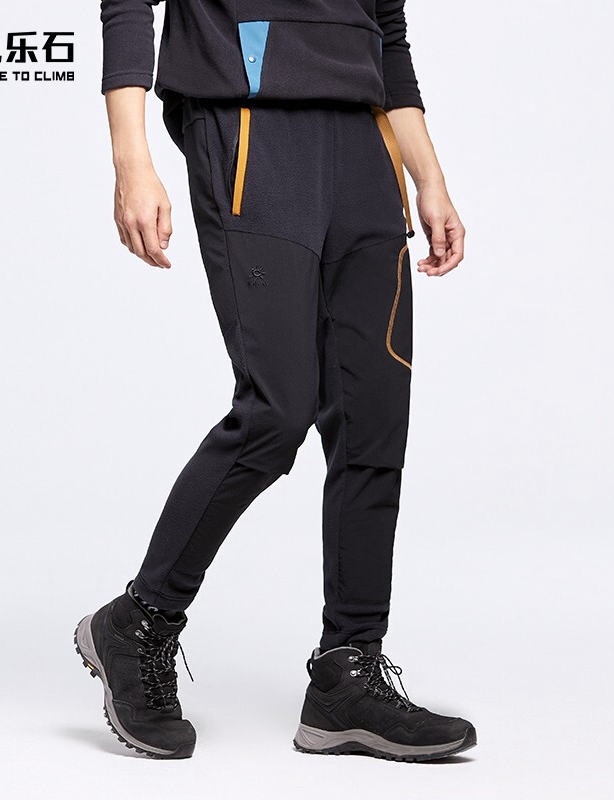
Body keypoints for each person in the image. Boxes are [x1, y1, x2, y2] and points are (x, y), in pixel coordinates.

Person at [74, 0, 476, 761]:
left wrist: (430, 176)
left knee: (373, 418)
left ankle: (347, 673)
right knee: (277, 408)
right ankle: (139, 621)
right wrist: (132, 160)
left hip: (366, 145)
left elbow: (387, 32)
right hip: (250, 126)